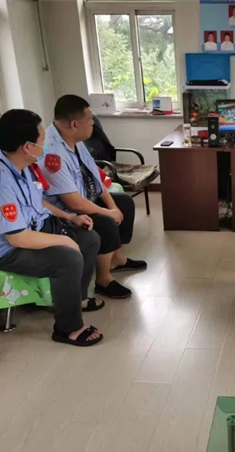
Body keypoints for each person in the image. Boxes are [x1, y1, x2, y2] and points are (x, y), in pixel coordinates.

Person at [0, 109, 104, 346]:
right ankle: (67, 328)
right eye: (42, 140)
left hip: (31, 227)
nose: (45, 145)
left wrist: (70, 217)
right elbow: (18, 239)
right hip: (5, 249)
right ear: (28, 147)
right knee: (69, 258)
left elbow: (37, 201)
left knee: (89, 239)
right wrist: (64, 241)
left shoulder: (21, 166)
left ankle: (78, 299)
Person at [41, 95, 147, 300]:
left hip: (84, 196)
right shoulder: (52, 154)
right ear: (74, 124)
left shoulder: (75, 140)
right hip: (65, 212)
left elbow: (94, 176)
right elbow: (72, 202)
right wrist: (107, 212)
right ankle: (103, 280)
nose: (93, 123)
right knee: (106, 222)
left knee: (125, 203)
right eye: (90, 119)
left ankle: (118, 260)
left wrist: (112, 205)